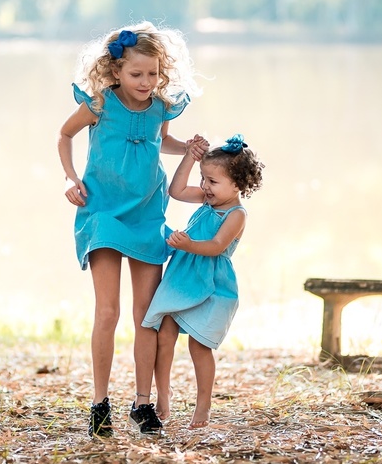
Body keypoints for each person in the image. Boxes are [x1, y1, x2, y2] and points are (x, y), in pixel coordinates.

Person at [58, 22, 199, 437]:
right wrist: (69, 178)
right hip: (102, 211)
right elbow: (64, 134)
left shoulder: (160, 107)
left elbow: (161, 142)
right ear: (116, 71)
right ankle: (100, 403)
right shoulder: (100, 104)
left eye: (153, 74)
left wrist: (187, 148)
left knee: (145, 316)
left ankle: (142, 403)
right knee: (108, 311)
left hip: (147, 215)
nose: (146, 82)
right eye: (136, 74)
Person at [143, 133, 264, 428]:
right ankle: (163, 394)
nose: (205, 187)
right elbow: (176, 189)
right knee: (165, 336)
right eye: (204, 178)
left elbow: (216, 247)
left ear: (238, 184)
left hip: (212, 283)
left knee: (199, 346)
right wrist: (189, 157)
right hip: (183, 276)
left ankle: (203, 405)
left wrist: (187, 245)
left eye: (212, 181)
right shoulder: (207, 200)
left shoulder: (236, 214)